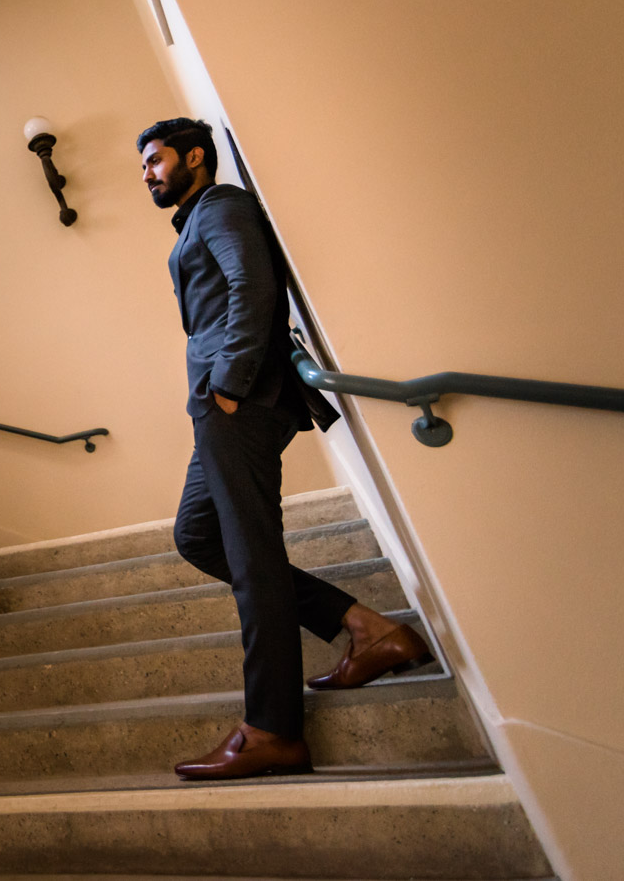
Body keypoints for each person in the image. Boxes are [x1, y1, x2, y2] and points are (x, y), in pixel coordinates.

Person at [136, 118, 432, 781]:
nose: (149, 175)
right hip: (218, 406)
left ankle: (271, 729)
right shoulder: (197, 220)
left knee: (251, 558)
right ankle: (365, 628)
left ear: (194, 155)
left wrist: (231, 385)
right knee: (198, 535)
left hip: (235, 401)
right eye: (144, 167)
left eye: (155, 160)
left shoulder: (222, 206)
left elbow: (254, 286)